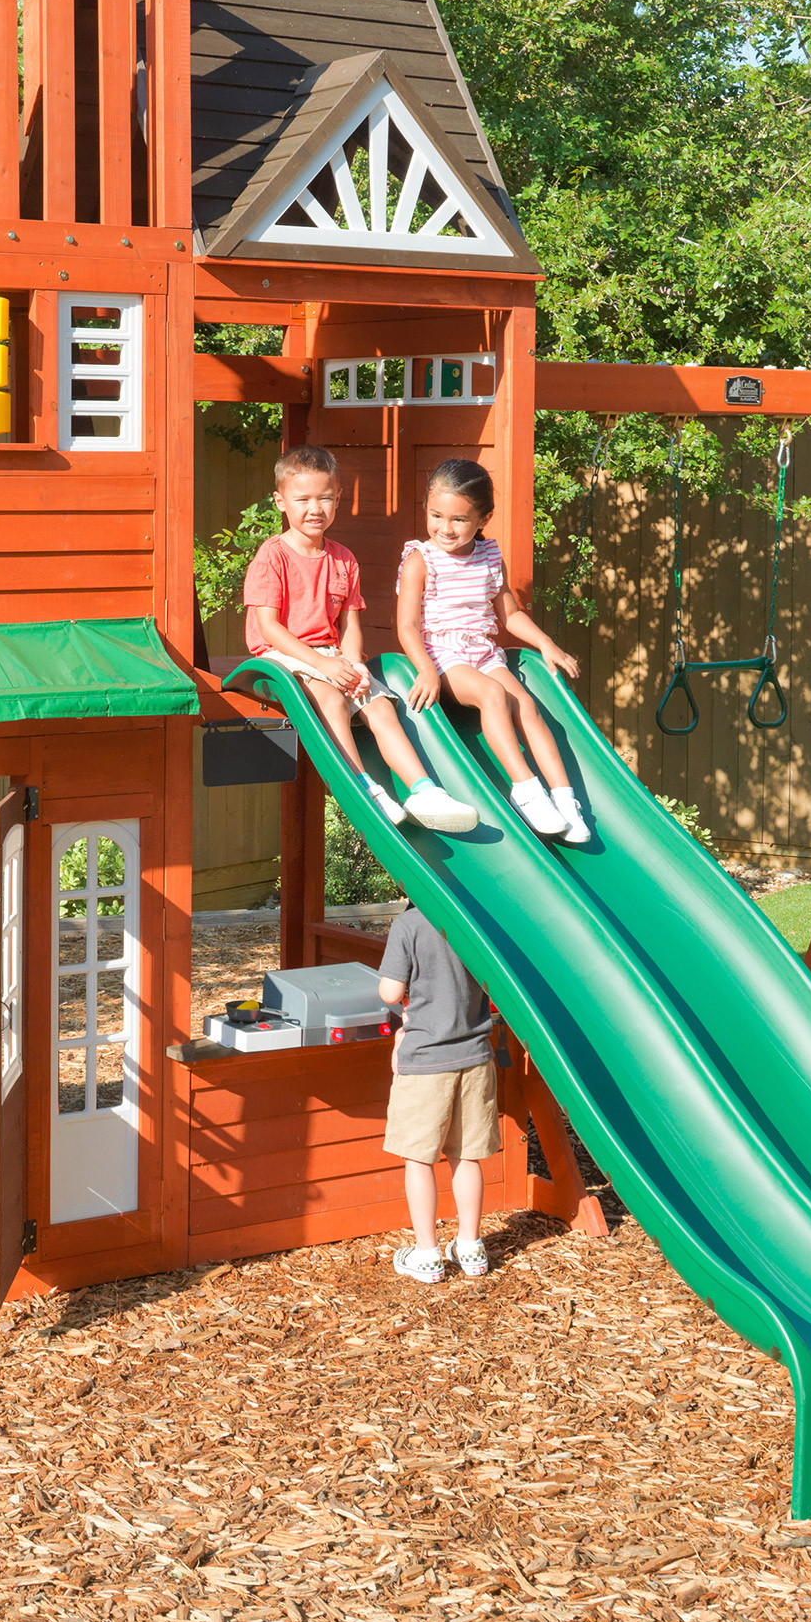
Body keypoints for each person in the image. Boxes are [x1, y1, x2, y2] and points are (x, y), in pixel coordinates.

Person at [243, 444, 481, 833]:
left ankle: (424, 790)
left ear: (338, 498)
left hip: (331, 653)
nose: (314, 508)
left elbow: (350, 624)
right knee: (333, 699)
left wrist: (353, 664)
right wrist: (322, 666)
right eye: (302, 499)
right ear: (280, 501)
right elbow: (269, 628)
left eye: (324, 498)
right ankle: (361, 785)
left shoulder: (343, 558)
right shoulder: (273, 556)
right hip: (281, 655)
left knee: (381, 706)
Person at [398, 459, 592, 842]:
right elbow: (406, 626)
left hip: (483, 652)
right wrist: (424, 669)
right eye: (436, 515)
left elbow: (510, 614)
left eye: (459, 520)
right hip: (442, 654)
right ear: (426, 509)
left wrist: (546, 643)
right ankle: (526, 789)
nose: (445, 528)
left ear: (483, 518)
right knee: (493, 695)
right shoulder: (421, 559)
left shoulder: (488, 557)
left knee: (526, 703)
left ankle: (566, 800)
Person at [380, 906, 500, 1284]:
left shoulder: (409, 924)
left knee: (418, 1158)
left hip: (426, 1061)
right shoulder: (476, 917)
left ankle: (428, 1254)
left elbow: (390, 992)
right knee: (466, 1155)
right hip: (476, 1056)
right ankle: (471, 1247)